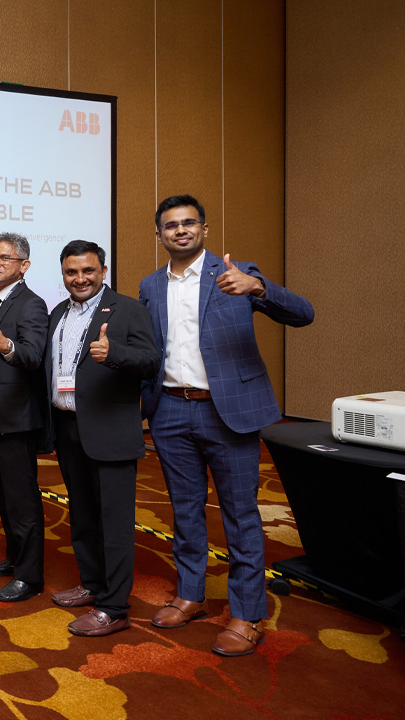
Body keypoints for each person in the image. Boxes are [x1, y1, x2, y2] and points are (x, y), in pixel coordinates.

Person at [139, 194, 314, 656]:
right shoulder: (150, 285)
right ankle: (191, 595)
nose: (180, 230)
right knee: (185, 509)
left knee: (240, 515)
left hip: (227, 411)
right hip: (172, 410)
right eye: (170, 225)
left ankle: (247, 612)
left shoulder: (235, 274)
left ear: (204, 229)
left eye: (188, 223)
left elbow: (303, 314)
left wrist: (258, 289)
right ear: (159, 235)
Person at [44, 240, 160, 637]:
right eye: (71, 272)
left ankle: (115, 607)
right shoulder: (58, 312)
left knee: (114, 523)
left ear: (104, 271)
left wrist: (113, 354)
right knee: (82, 514)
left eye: (88, 271)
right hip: (68, 427)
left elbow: (150, 361)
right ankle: (92, 584)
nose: (80, 279)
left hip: (109, 429)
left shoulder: (128, 310)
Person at [0, 233, 49, 602]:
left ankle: (30, 576)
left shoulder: (31, 304)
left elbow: (32, 356)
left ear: (24, 266)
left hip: (16, 420)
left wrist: (6, 345)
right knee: (4, 496)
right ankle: (15, 558)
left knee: (22, 501)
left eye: (4, 258)